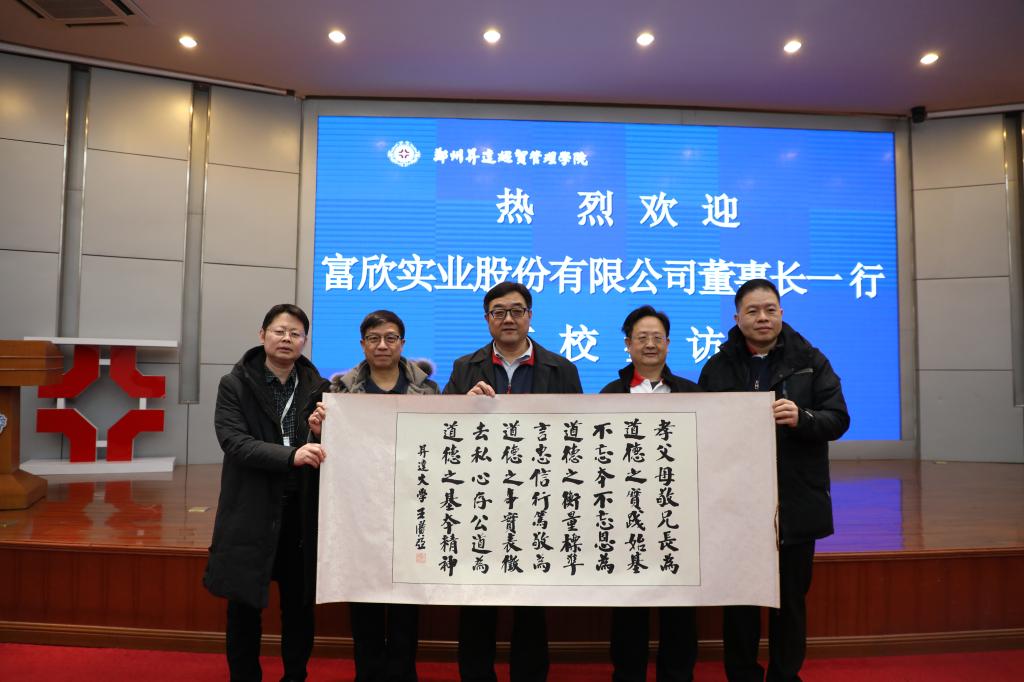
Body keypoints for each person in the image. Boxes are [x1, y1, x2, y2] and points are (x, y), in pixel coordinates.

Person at [697, 279, 850, 682]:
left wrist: (804, 417)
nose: (762, 318)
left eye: (769, 309)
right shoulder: (717, 367)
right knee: (740, 602)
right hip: (736, 505)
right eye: (752, 311)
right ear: (737, 318)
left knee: (790, 601)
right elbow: (702, 431)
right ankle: (742, 674)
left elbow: (838, 419)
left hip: (795, 500)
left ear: (781, 313)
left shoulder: (810, 361)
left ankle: (785, 675)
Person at [443, 281, 583, 682]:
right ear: (487, 319)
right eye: (499, 312)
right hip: (480, 501)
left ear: (530, 317)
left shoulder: (561, 369)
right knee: (476, 602)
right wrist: (464, 406)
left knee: (531, 605)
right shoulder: (464, 368)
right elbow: (443, 429)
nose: (508, 319)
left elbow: (577, 434)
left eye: (517, 311)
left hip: (538, 500)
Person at [307, 310, 439, 682]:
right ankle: (367, 673)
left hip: (411, 508)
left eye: (391, 338)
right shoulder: (340, 391)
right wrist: (317, 430)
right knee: (363, 598)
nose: (383, 345)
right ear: (363, 344)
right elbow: (330, 449)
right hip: (359, 510)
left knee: (406, 604)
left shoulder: (428, 390)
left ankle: (403, 673)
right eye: (374, 338)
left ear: (402, 343)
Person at [205, 303, 329, 682]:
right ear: (262, 335)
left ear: (305, 341)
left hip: (300, 512)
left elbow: (331, 448)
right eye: (279, 331)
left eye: (295, 333)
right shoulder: (235, 384)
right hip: (251, 508)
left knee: (299, 608)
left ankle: (295, 676)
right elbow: (234, 442)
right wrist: (292, 455)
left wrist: (320, 433)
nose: (286, 339)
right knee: (243, 608)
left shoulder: (319, 387)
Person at [600, 305, 700, 682]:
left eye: (658, 337)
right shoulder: (610, 395)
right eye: (642, 337)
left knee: (679, 609)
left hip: (679, 516)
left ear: (669, 344)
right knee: (630, 608)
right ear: (628, 344)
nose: (650, 344)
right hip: (628, 518)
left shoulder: (691, 393)